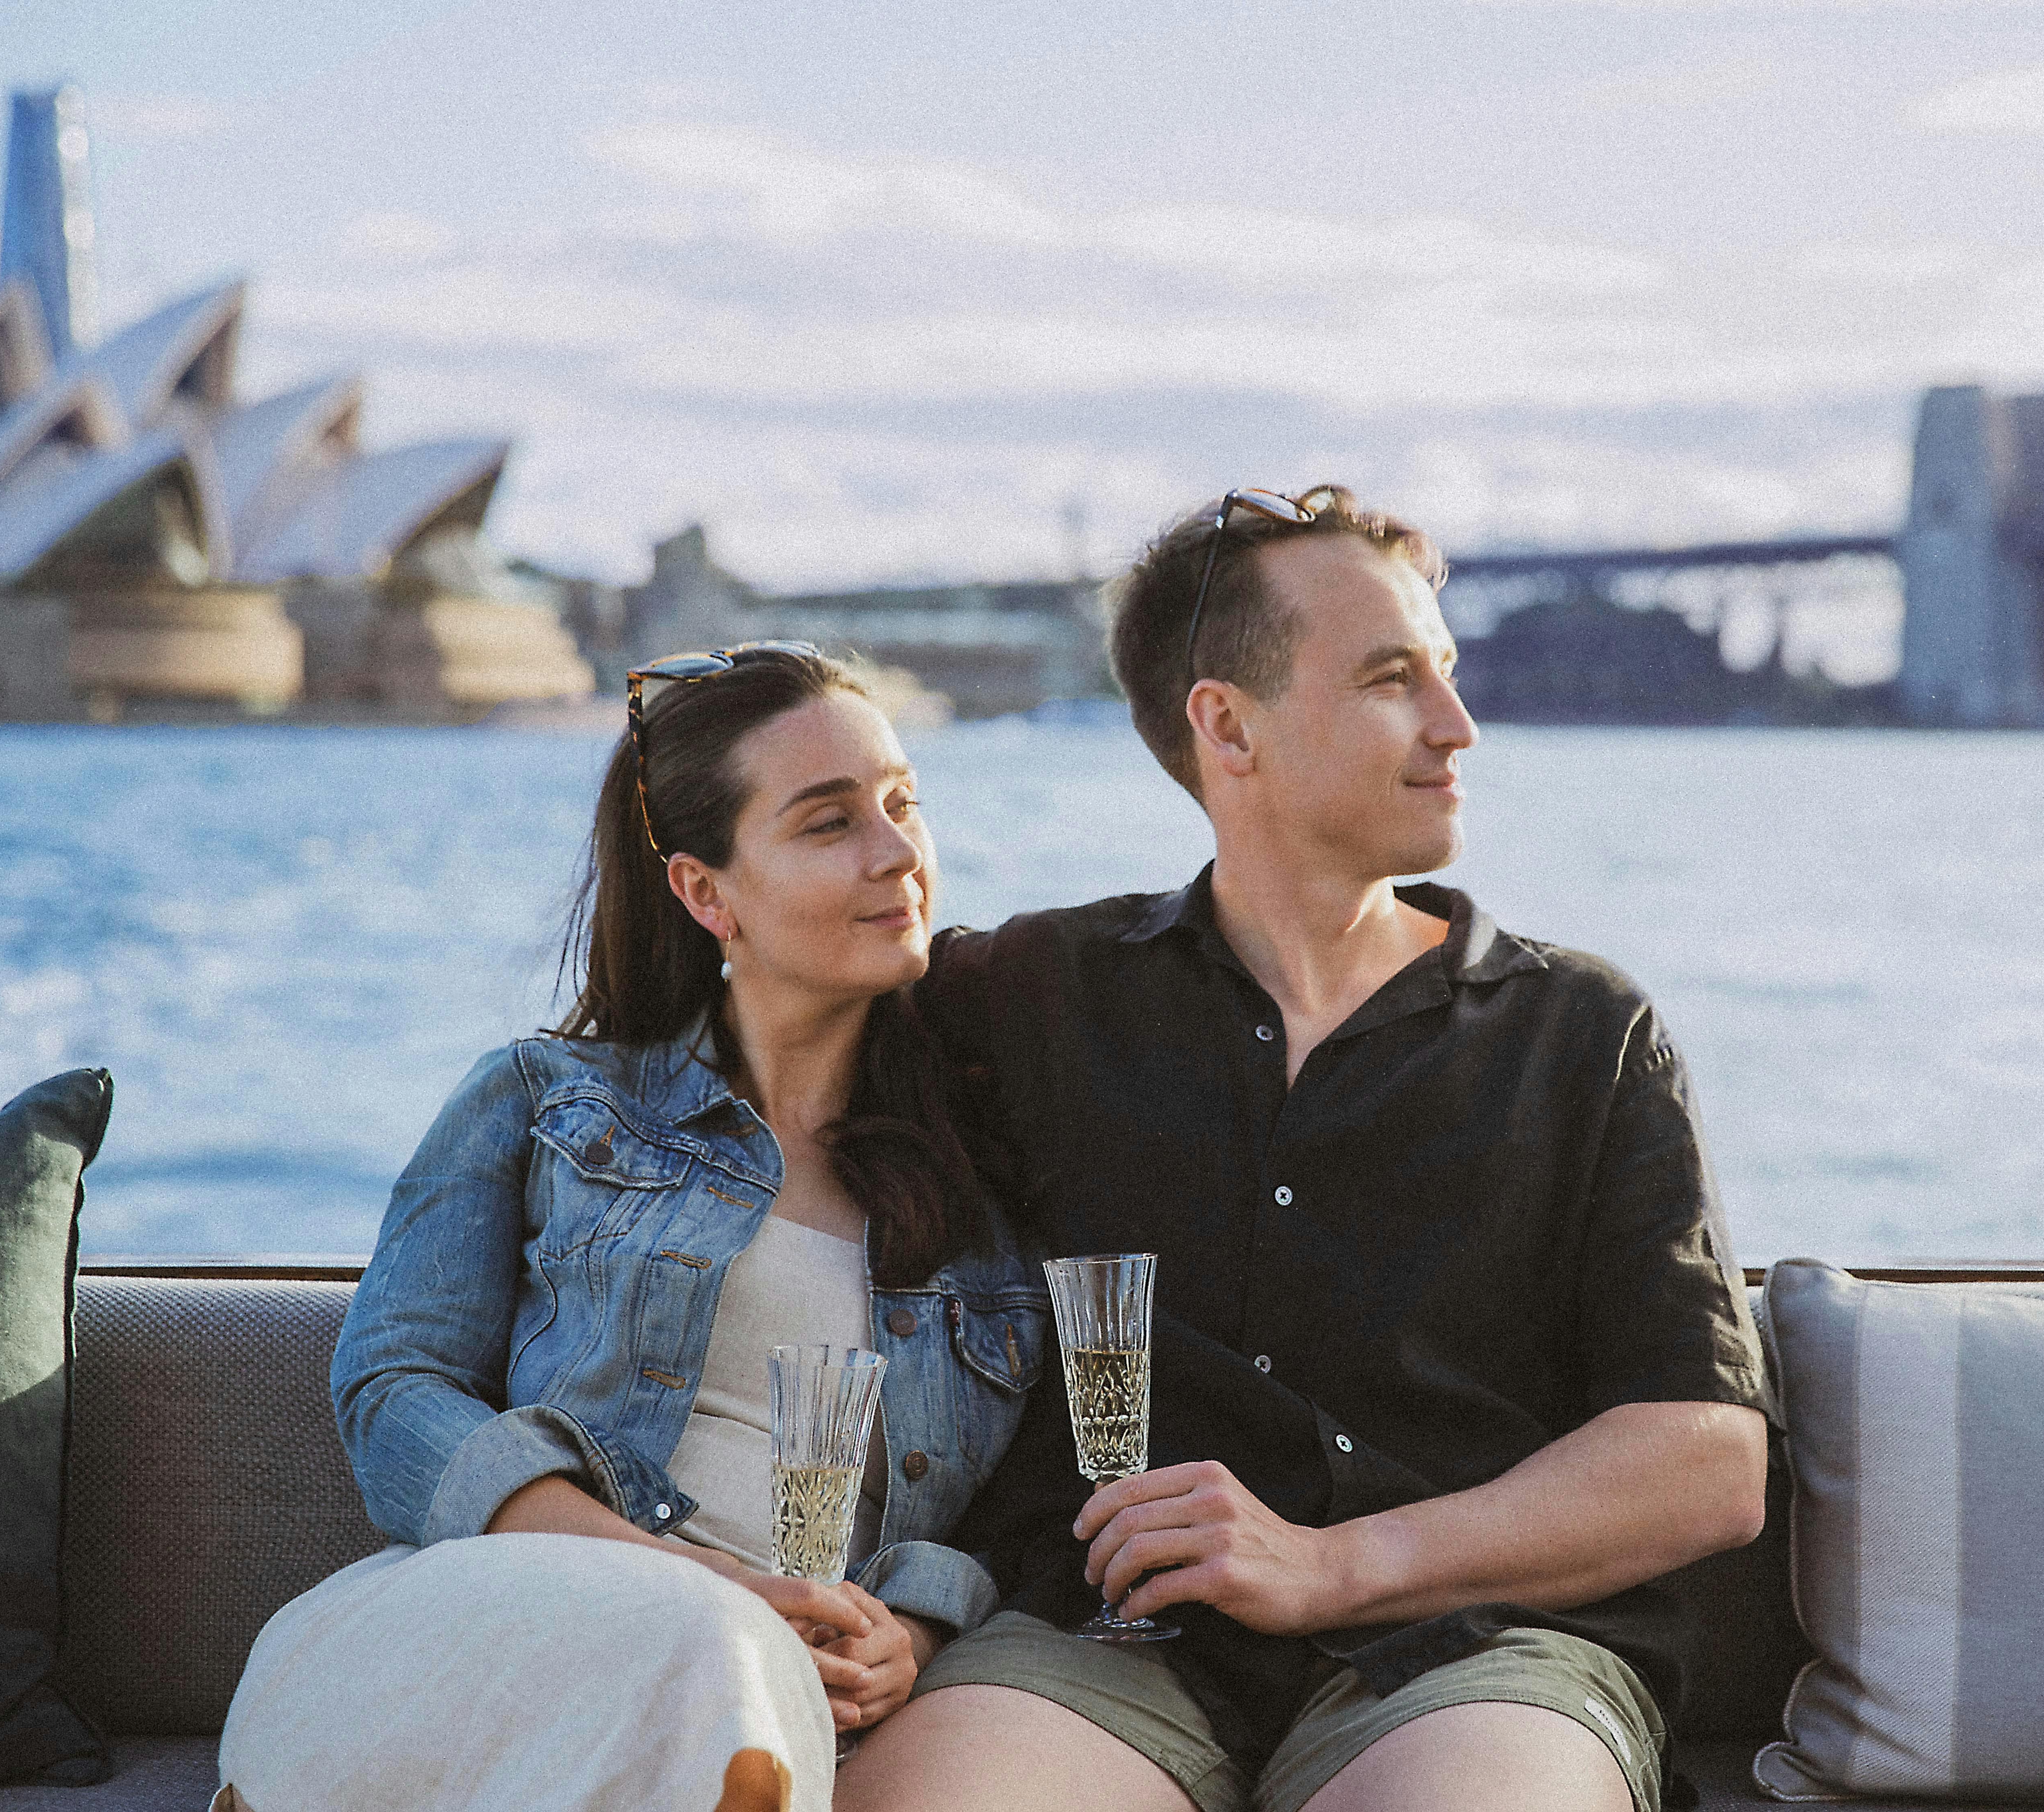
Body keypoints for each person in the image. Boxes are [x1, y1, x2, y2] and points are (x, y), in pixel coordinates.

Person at [839, 489, 1774, 1812]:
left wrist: (1333, 1567)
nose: (1457, 729)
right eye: (1395, 682)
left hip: (1472, 1654)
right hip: (1105, 1642)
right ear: (1228, 726)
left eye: (1444, 677)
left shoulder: (1582, 1033)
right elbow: (750, 1057)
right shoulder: (1031, 994)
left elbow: (1708, 1462)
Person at [219, 644, 1045, 1812]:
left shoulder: (981, 1182)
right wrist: (689, 1581)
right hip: (512, 1630)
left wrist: (911, 1625)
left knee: (741, 1693)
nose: (899, 853)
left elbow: (1027, 1503)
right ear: (708, 894)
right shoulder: (545, 1102)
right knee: (712, 1654)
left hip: (781, 1699)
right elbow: (393, 1391)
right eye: (829, 824)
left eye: (903, 805)